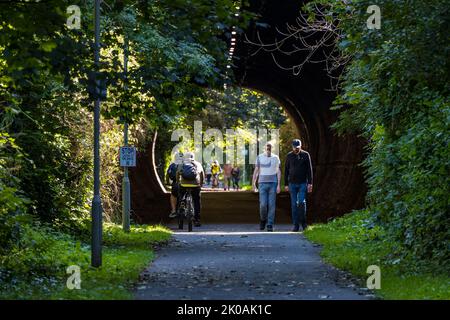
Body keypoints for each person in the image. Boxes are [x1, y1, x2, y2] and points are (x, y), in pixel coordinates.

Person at [284, 139, 313, 232]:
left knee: (301, 202)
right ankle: (295, 225)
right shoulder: (289, 156)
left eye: (298, 147)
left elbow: (309, 169)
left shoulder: (305, 155)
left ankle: (304, 224)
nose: (296, 149)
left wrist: (310, 183)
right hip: (292, 183)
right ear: (292, 147)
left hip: (302, 183)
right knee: (294, 204)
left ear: (300, 146)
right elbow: (286, 170)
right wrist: (285, 184)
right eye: (295, 147)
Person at [252, 142, 281, 232]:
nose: (268, 150)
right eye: (267, 148)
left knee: (272, 205)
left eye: (270, 148)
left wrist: (279, 185)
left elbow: (278, 171)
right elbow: (256, 171)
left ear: (272, 149)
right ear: (264, 149)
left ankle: (270, 224)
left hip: (273, 183)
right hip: (262, 184)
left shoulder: (276, 158)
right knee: (263, 205)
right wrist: (253, 183)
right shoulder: (259, 157)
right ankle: (263, 219)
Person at [176, 152, 205, 227]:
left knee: (180, 196)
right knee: (196, 201)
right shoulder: (198, 164)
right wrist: (201, 184)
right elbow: (202, 175)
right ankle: (197, 220)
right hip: (195, 185)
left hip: (183, 184)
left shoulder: (181, 164)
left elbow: (177, 173)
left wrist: (178, 182)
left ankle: (181, 204)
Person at [166, 152, 183, 218]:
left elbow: (167, 175)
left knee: (173, 195)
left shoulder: (172, 165)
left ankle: (173, 211)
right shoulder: (186, 165)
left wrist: (167, 182)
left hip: (175, 184)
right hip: (186, 183)